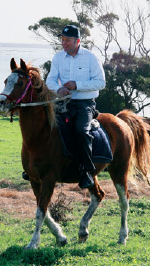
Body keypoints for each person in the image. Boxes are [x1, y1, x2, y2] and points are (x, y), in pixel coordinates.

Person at [45, 24, 106, 189]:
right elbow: (50, 80)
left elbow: (100, 83)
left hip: (84, 103)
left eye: (68, 40)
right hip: (62, 101)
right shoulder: (58, 58)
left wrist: (76, 85)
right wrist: (59, 89)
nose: (64, 43)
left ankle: (86, 170)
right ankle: (38, 166)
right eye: (63, 40)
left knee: (81, 130)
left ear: (77, 41)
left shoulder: (91, 58)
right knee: (44, 125)